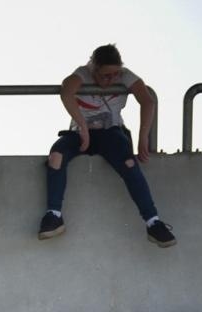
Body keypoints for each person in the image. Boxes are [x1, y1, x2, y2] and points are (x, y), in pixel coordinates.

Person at [39, 43, 176, 247]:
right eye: (105, 76)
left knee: (129, 162)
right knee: (56, 156)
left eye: (115, 75)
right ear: (94, 68)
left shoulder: (125, 75)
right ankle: (54, 215)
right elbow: (66, 91)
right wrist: (83, 128)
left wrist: (143, 136)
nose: (111, 80)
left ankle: (153, 222)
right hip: (80, 134)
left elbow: (148, 101)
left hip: (111, 133)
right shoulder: (83, 73)